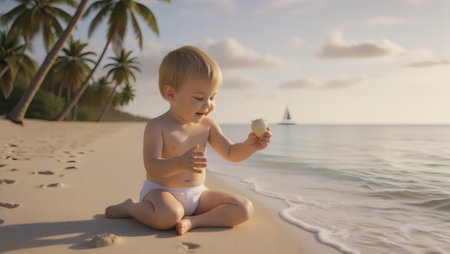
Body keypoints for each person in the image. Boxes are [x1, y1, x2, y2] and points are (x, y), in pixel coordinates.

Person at [105, 46, 272, 235]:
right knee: (168, 216)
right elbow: (151, 166)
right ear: (171, 94)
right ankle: (131, 208)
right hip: (160, 193)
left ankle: (195, 221)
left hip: (197, 194)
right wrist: (180, 163)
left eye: (212, 97)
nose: (208, 104)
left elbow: (231, 153)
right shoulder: (157, 126)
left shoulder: (208, 125)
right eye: (200, 97)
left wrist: (251, 146)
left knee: (244, 207)